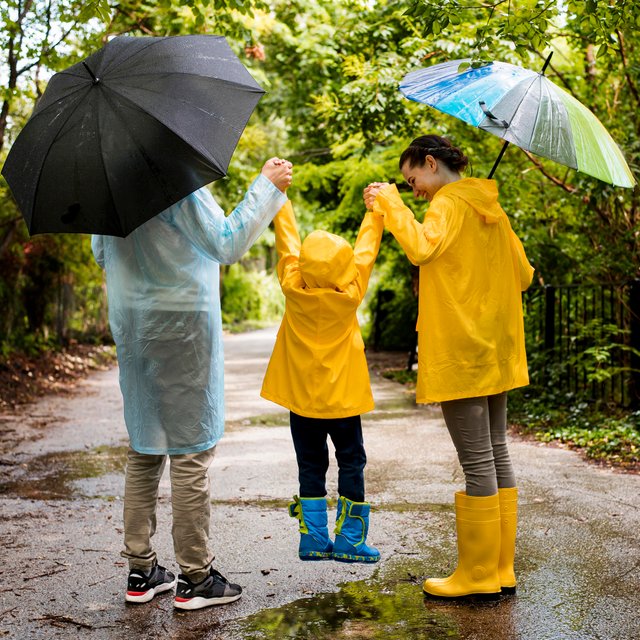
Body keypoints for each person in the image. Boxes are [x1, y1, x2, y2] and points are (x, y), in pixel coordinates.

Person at [92, 158, 292, 611]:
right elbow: (226, 243)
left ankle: (141, 571)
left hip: (133, 324)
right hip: (181, 327)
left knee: (144, 448)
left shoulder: (111, 187)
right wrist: (266, 188)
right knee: (189, 451)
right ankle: (196, 577)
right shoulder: (172, 178)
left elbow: (101, 255)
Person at [364, 134, 534, 598]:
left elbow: (421, 248)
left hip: (461, 348)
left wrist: (392, 204)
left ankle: (477, 576)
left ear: (431, 163)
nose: (413, 187)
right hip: (495, 347)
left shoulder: (447, 205)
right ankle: (500, 569)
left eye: (412, 177)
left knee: (478, 461)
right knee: (496, 451)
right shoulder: (490, 207)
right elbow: (523, 275)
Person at [260, 195, 383, 563]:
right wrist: (375, 212)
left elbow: (288, 244)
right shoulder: (351, 292)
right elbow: (366, 252)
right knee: (351, 462)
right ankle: (349, 541)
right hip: (343, 400)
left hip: (303, 400)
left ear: (304, 266)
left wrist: (280, 199)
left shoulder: (292, 286)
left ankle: (313, 539)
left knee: (310, 464)